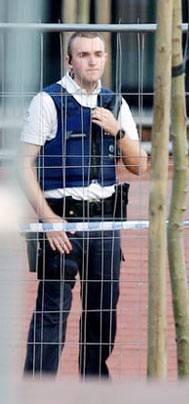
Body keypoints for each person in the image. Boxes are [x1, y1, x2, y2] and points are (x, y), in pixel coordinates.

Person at [20, 32, 147, 377]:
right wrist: (48, 219)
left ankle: (93, 387)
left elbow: (139, 166)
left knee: (103, 314)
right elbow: (23, 164)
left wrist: (118, 131)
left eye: (98, 54)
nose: (92, 61)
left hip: (105, 222)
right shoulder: (48, 101)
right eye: (84, 55)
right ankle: (37, 388)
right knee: (52, 313)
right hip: (62, 221)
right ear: (69, 62)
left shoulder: (115, 103)